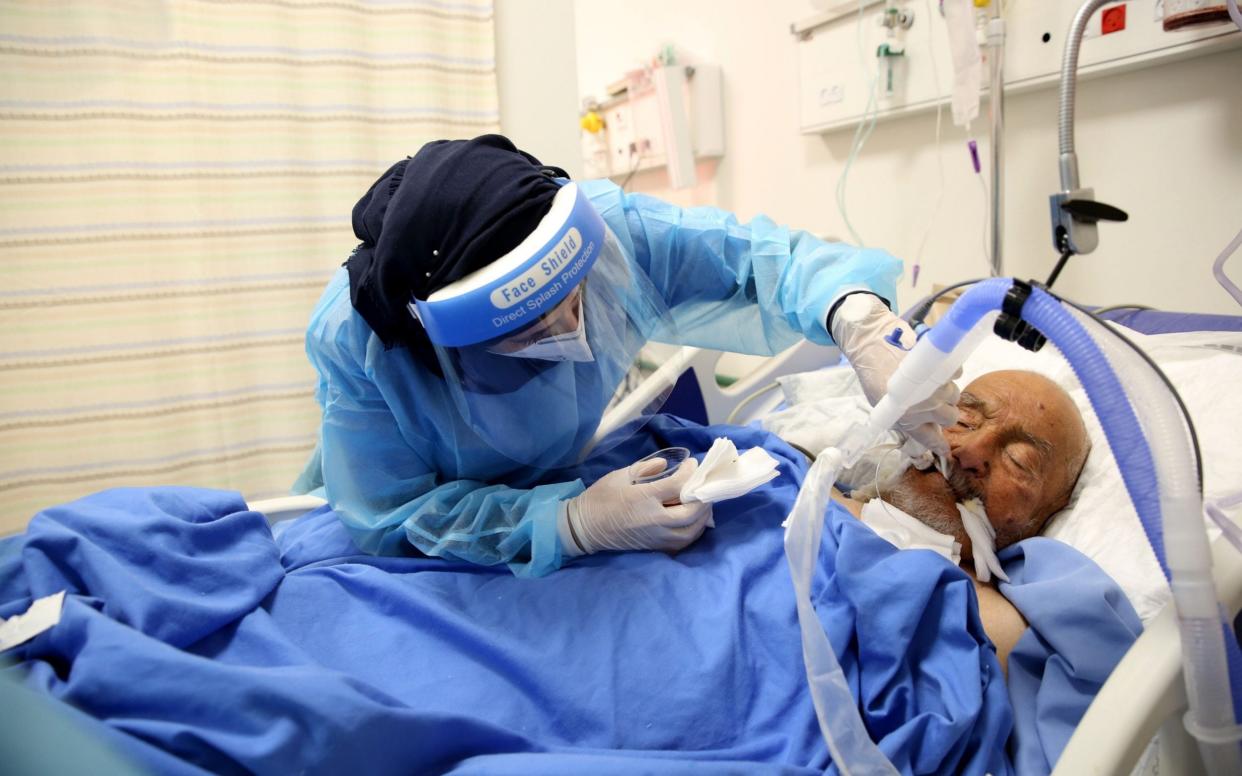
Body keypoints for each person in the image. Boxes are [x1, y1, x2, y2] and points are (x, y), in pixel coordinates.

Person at [297, 134, 958, 576]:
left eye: (574, 294)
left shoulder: (615, 232)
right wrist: (572, 523)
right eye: (529, 327)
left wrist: (858, 319)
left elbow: (772, 259)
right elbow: (393, 516)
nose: (568, 327)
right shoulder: (362, 341)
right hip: (435, 553)